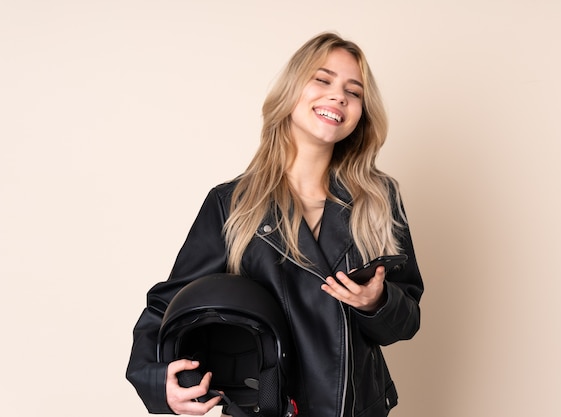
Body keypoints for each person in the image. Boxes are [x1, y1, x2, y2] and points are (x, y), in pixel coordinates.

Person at [126, 32, 424, 417]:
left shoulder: (379, 199)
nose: (339, 96)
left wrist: (377, 303)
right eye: (323, 80)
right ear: (291, 90)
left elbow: (406, 321)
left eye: (354, 91)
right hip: (267, 406)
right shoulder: (231, 203)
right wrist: (156, 380)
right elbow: (169, 306)